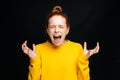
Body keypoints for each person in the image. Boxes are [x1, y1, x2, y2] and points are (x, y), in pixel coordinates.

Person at [21, 5, 100, 80]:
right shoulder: (38, 50)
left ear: (67, 30)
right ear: (47, 30)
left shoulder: (77, 48)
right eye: (52, 27)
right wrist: (34, 61)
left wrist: (84, 60)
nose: (56, 30)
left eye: (61, 27)